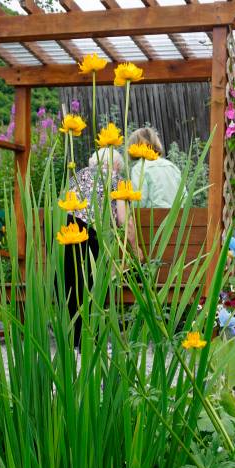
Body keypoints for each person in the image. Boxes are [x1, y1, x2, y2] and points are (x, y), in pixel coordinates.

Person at [64, 149, 137, 341]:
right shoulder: (116, 180)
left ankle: (74, 336)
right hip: (93, 233)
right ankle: (89, 336)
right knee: (91, 283)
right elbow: (125, 220)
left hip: (68, 231)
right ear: (117, 166)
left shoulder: (79, 175)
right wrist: (137, 252)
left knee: (74, 283)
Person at [126, 127, 182, 209]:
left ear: (133, 146)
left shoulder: (139, 168)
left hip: (153, 218)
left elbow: (139, 202)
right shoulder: (171, 166)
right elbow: (183, 196)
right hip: (177, 216)